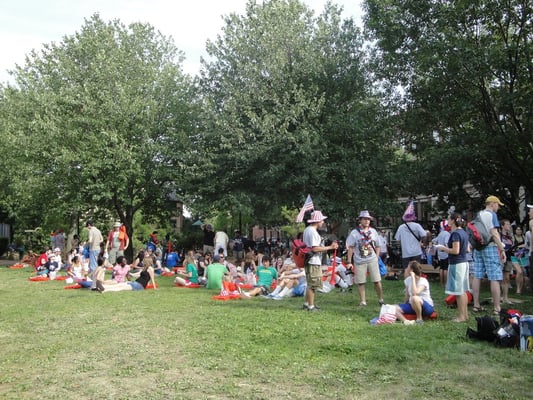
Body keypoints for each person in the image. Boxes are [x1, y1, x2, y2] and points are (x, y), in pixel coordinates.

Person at [471, 195, 506, 315]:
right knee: (494, 277)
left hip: (478, 248)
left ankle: (476, 305)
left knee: (477, 275)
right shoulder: (492, 215)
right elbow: (494, 233)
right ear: (492, 204)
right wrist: (502, 249)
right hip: (490, 247)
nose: (498, 208)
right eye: (497, 205)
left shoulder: (478, 214)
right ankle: (497, 308)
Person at [436, 212, 470, 322]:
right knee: (463, 290)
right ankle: (465, 315)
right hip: (464, 262)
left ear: (453, 220)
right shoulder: (463, 232)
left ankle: (461, 316)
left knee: (458, 292)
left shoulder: (455, 234)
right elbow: (467, 249)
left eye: (448, 219)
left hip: (456, 263)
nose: (447, 221)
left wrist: (443, 248)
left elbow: (455, 251)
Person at [302, 210, 338, 311]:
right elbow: (315, 248)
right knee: (312, 285)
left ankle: (306, 303)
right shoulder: (312, 232)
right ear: (317, 221)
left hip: (309, 260)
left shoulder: (307, 230)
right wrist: (330, 247)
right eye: (322, 220)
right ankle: (311, 306)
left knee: (310, 283)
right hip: (313, 261)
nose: (323, 222)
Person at [346, 210, 384, 306]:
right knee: (360, 281)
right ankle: (363, 301)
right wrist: (349, 261)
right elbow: (350, 247)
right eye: (364, 219)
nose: (367, 221)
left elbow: (378, 245)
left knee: (377, 280)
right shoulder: (354, 233)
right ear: (360, 220)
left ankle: (381, 299)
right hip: (359, 260)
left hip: (372, 259)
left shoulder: (373, 231)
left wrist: (377, 256)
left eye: (368, 219)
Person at [395, 261, 435, 325]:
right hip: (412, 305)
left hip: (426, 307)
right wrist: (403, 306)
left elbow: (414, 293)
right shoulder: (408, 280)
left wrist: (413, 277)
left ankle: (419, 319)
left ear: (411, 270)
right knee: (393, 308)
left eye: (407, 267)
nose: (406, 269)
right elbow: (407, 295)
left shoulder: (423, 281)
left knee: (414, 298)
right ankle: (406, 322)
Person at [394, 202, 427, 268]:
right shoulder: (417, 226)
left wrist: (403, 244)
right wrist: (423, 243)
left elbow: (397, 240)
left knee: (407, 270)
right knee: (416, 270)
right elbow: (424, 235)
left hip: (406, 253)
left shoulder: (401, 227)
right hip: (416, 252)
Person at [434, 219, 451, 286]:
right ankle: (446, 283)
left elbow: (434, 241)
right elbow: (446, 243)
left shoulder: (440, 233)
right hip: (446, 253)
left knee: (441, 268)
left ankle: (441, 283)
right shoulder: (447, 234)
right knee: (446, 268)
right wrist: (448, 249)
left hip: (440, 254)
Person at [511, 225, 526, 295]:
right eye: (517, 229)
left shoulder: (524, 237)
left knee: (522, 273)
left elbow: (526, 245)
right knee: (519, 272)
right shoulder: (513, 237)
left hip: (522, 256)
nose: (519, 231)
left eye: (520, 230)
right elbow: (512, 246)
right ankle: (517, 289)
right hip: (514, 256)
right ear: (515, 230)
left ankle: (520, 288)